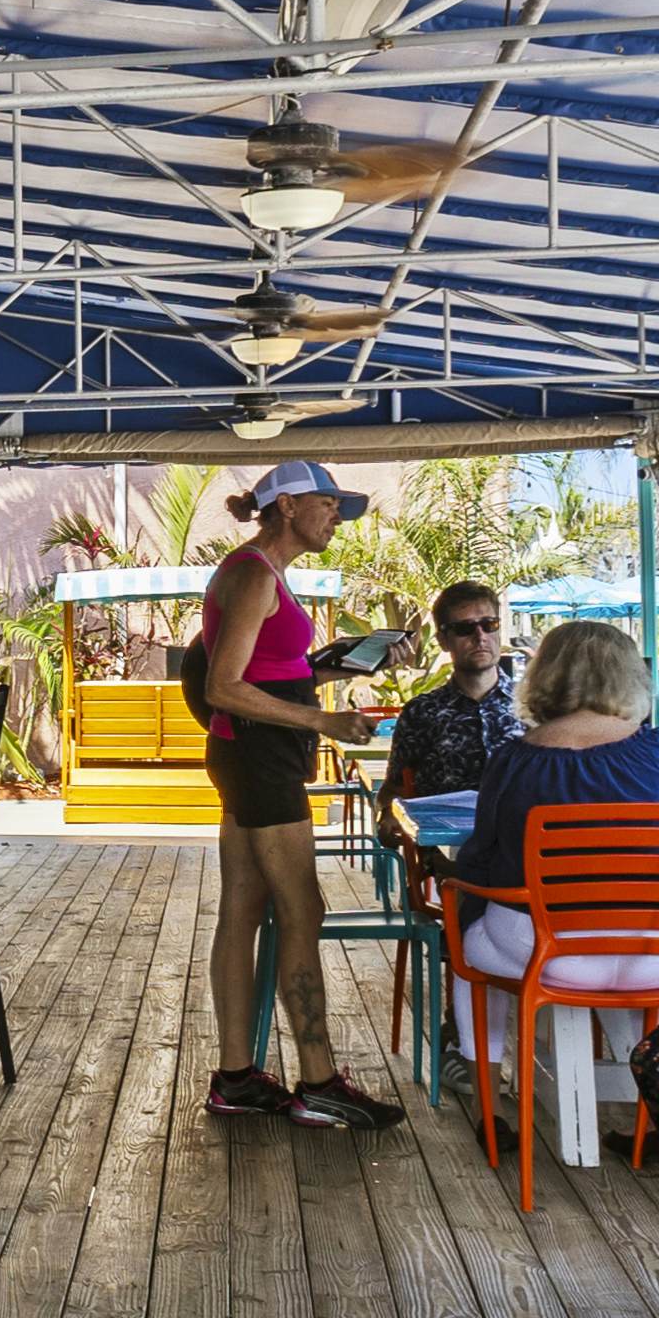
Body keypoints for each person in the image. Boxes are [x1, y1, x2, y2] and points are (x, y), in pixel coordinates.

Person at [193, 460, 405, 1130]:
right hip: (258, 756)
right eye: (328, 503)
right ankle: (318, 1081)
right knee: (301, 909)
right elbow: (223, 686)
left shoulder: (262, 573)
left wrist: (331, 667)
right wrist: (322, 720)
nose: (337, 516)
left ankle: (235, 1078)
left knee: (243, 908)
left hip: (251, 752)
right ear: (286, 506)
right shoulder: (254, 573)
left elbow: (269, 670)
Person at [447, 615, 659, 1156]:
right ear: (628, 678)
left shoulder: (515, 760)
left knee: (467, 946)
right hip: (649, 955)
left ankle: (490, 1112)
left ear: (547, 676)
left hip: (546, 953)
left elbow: (481, 859)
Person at [379, 579, 516, 858]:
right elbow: (393, 789)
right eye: (465, 628)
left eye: (489, 624)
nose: (480, 636)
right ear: (443, 640)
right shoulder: (422, 712)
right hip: (451, 852)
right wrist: (387, 815)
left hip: (523, 845)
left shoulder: (536, 706)